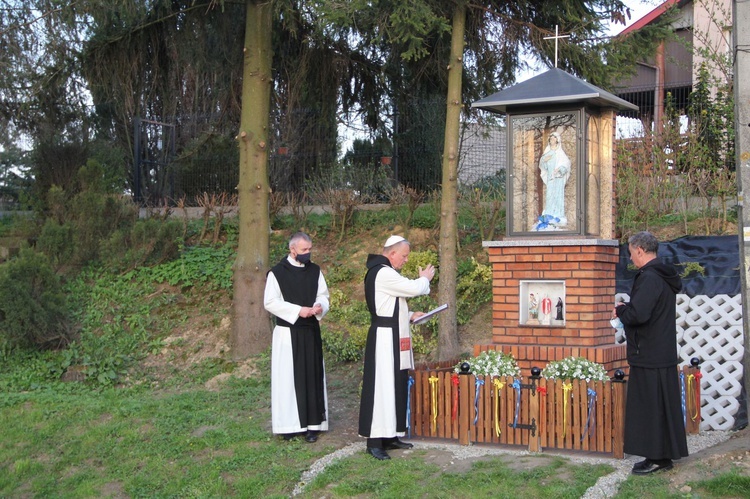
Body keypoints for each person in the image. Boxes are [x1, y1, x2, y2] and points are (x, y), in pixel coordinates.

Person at [613, 231, 688, 474]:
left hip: (648, 352)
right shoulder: (663, 276)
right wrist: (630, 308)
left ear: (640, 251)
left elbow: (639, 315)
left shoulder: (649, 278)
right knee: (662, 406)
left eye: (631, 253)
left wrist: (621, 311)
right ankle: (663, 456)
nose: (631, 258)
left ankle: (656, 457)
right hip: (661, 350)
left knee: (650, 407)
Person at [358, 235, 435, 460]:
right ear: (391, 254)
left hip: (393, 334)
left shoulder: (386, 272)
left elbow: (390, 303)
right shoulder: (382, 272)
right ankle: (374, 441)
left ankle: (390, 435)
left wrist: (410, 315)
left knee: (395, 385)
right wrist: (424, 279)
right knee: (382, 387)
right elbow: (411, 289)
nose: (406, 260)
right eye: (404, 256)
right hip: (384, 338)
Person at [264, 232, 330, 443]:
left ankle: (313, 425)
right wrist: (297, 311)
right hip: (287, 333)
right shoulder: (277, 273)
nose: (308, 253)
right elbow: (270, 302)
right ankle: (290, 426)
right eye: (304, 250)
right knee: (288, 379)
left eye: (310, 249)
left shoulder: (315, 271)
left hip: (310, 331)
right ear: (292, 250)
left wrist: (320, 306)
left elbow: (323, 294)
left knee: (312, 376)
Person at [538, 132, 571, 224]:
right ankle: (549, 213)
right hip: (550, 178)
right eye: (551, 138)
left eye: (553, 138)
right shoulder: (547, 151)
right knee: (550, 195)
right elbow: (542, 165)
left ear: (557, 140)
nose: (552, 140)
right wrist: (544, 160)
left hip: (558, 178)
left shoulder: (560, 152)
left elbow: (566, 163)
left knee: (557, 196)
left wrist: (560, 169)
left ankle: (558, 214)